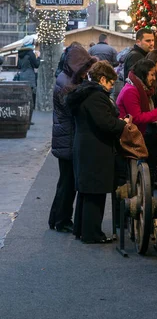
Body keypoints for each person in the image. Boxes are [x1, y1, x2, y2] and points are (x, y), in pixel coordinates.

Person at [66, 61, 127, 244]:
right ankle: (93, 234)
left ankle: (81, 230)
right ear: (102, 79)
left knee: (86, 191)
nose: (110, 87)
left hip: (85, 146)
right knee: (95, 192)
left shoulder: (84, 93)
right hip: (95, 150)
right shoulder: (96, 96)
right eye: (110, 83)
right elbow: (106, 124)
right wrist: (123, 124)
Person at [49, 44, 97, 233]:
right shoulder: (67, 84)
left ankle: (57, 219)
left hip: (65, 136)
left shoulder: (67, 78)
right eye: (84, 68)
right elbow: (74, 108)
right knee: (68, 183)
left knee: (65, 182)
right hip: (67, 138)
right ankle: (61, 220)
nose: (86, 73)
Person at [116, 59, 157, 183]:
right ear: (143, 74)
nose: (154, 78)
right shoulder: (131, 90)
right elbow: (137, 118)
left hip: (135, 136)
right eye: (152, 74)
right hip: (128, 139)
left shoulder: (140, 89)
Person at [17, 38, 40, 108]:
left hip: (22, 76)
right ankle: (31, 109)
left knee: (23, 94)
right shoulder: (30, 53)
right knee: (32, 94)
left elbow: (18, 66)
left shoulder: (20, 53)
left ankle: (23, 108)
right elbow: (36, 65)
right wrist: (38, 57)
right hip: (30, 77)